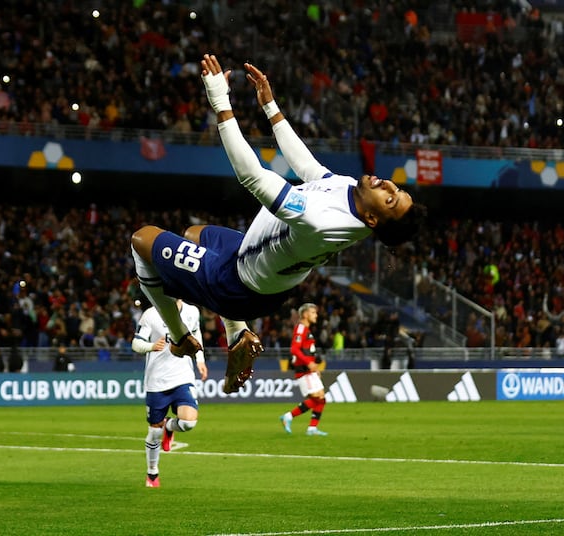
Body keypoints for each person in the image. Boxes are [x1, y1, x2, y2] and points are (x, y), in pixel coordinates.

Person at [130, 53, 427, 393]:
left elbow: (252, 176)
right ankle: (236, 332)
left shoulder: (322, 221)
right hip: (255, 269)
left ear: (374, 218)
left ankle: (180, 336)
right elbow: (308, 167)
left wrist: (220, 102)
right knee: (193, 234)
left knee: (142, 240)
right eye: (396, 188)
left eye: (390, 198)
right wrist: (271, 107)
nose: (388, 185)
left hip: (239, 284)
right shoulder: (352, 196)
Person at [132, 300, 208, 488]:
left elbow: (196, 334)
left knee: (189, 422)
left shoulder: (192, 311)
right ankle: (152, 473)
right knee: (154, 431)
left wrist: (200, 359)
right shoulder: (151, 314)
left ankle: (170, 427)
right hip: (157, 381)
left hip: (183, 376)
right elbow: (136, 343)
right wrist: (150, 347)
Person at [280, 303, 328, 436]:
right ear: (305, 314)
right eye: (313, 313)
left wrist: (314, 367)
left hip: (309, 370)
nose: (316, 315)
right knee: (318, 397)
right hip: (303, 370)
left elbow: (306, 351)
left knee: (321, 399)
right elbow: (294, 349)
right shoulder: (301, 328)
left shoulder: (306, 330)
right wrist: (310, 364)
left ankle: (312, 428)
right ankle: (288, 416)